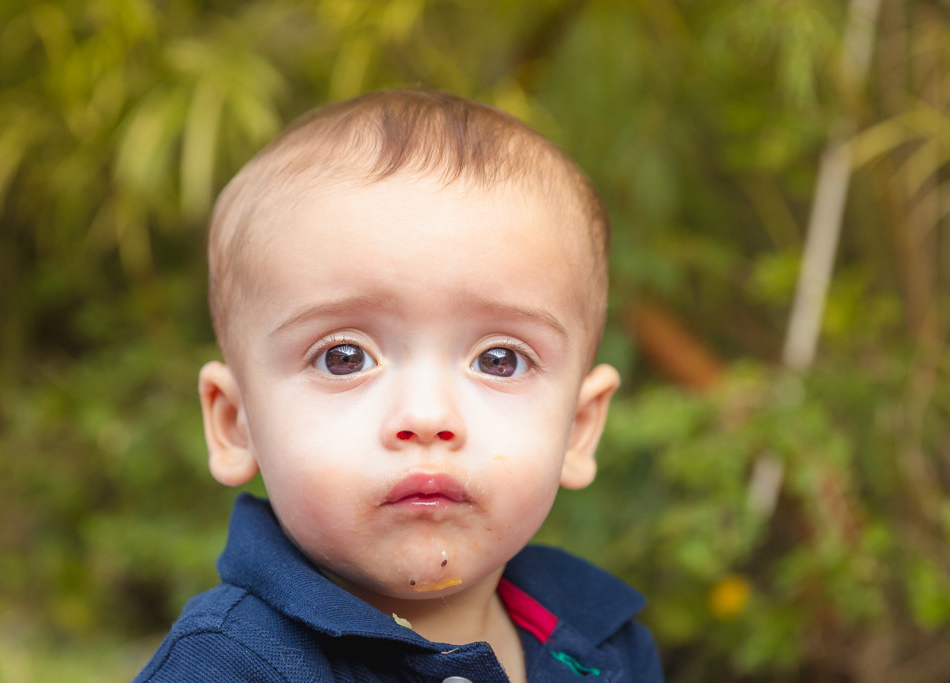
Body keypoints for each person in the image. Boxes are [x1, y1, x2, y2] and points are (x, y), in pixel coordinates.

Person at [135, 89, 662, 682]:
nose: (428, 414)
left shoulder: (603, 643)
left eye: (499, 360)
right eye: (343, 357)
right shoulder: (230, 666)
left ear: (580, 426)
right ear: (236, 422)